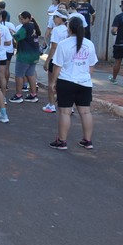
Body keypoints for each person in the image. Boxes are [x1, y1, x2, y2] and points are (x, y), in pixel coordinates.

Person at [48, 16, 98, 150]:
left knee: (65, 112)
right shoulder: (89, 44)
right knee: (86, 112)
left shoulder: (64, 44)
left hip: (66, 81)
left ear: (69, 28)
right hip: (85, 83)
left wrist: (53, 82)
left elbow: (57, 66)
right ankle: (88, 140)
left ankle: (62, 141)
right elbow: (92, 65)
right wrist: (86, 77)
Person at [42, 9, 69, 113]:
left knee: (51, 83)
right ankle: (67, 106)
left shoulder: (56, 30)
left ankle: (51, 104)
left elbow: (53, 47)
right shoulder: (68, 29)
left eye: (55, 17)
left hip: (56, 60)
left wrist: (47, 61)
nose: (53, 19)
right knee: (64, 83)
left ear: (60, 18)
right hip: (66, 60)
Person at [10, 11, 40, 103]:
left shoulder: (25, 27)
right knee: (30, 74)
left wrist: (12, 33)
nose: (20, 21)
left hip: (24, 55)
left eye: (22, 19)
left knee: (19, 75)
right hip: (34, 54)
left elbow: (18, 37)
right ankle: (33, 94)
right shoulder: (34, 26)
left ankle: (18, 95)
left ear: (27, 19)